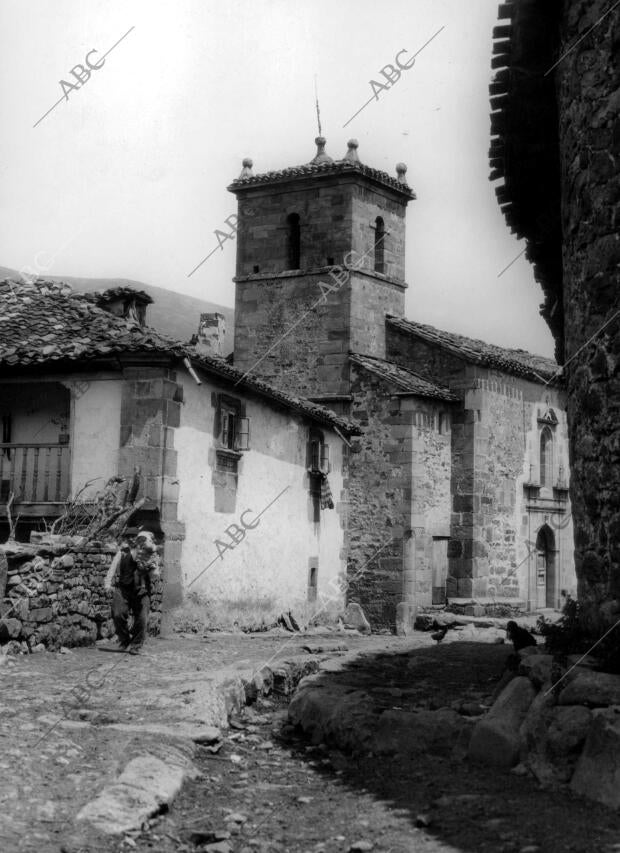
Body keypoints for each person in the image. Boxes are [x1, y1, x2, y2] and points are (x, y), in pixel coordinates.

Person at [104, 532, 160, 654]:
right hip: (123, 589)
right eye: (128, 537)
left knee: (142, 618)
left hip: (142, 591)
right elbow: (113, 567)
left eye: (133, 537)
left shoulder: (150, 554)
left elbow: (155, 575)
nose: (130, 539)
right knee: (117, 614)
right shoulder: (123, 552)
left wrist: (150, 568)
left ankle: (136, 645)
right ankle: (124, 640)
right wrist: (107, 584)